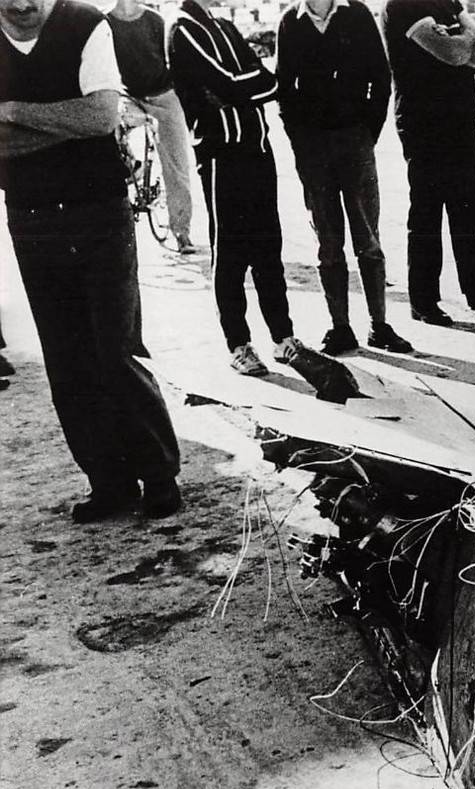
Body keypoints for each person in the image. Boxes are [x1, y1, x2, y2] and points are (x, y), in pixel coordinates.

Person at [0, 0, 181, 520]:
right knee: (66, 359)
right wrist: (65, 121)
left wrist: (13, 113)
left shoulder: (84, 24)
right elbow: (81, 118)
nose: (24, 5)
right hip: (31, 218)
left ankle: (159, 475)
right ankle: (109, 482)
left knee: (116, 350)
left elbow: (101, 116)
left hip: (99, 212)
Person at [170, 0, 310, 375]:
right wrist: (245, 87)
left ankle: (283, 338)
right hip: (222, 156)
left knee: (268, 249)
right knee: (230, 253)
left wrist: (241, 88)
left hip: (257, 148)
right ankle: (239, 344)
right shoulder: (183, 30)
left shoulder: (225, 26)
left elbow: (265, 81)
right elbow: (228, 84)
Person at [277, 0, 413, 355]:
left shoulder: (357, 14)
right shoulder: (290, 22)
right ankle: (340, 328)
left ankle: (379, 326)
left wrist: (367, 133)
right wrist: (301, 142)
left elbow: (380, 78)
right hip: (313, 150)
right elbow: (284, 89)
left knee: (368, 238)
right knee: (328, 242)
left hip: (355, 140)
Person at [381, 0, 475, 325]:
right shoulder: (401, 6)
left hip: (461, 116)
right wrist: (466, 37)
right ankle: (424, 300)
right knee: (427, 213)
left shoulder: (448, 1)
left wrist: (460, 41)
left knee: (468, 208)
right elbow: (454, 53)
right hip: (422, 122)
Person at [107, 0, 193, 253]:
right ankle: (132, 167)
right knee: (107, 127)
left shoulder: (154, 20)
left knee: (176, 164)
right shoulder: (105, 22)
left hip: (164, 96)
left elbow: (173, 62)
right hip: (129, 97)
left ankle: (181, 232)